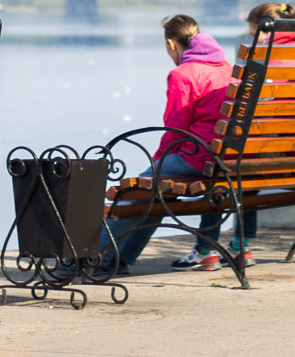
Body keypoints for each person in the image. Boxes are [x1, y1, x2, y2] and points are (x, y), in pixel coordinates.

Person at [96, 14, 234, 273]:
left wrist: (157, 159)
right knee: (158, 190)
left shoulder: (183, 74)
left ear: (171, 44)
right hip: (227, 158)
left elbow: (174, 130)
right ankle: (121, 258)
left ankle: (97, 258)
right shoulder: (227, 68)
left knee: (135, 192)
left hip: (197, 158)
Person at [210, 2, 295, 265]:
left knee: (229, 163)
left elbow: (261, 108)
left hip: (289, 153)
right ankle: (239, 245)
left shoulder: (274, 55)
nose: (253, 39)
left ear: (265, 28)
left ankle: (215, 247)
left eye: (253, 34)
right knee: (246, 162)